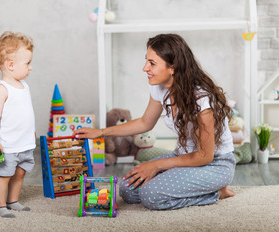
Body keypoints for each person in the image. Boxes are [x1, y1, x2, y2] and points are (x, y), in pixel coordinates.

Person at [74, 33, 236, 210]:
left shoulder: (202, 100)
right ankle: (197, 189)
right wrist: (101, 132)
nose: (145, 68)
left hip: (214, 164)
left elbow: (205, 156)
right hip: (183, 157)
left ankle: (216, 192)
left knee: (151, 195)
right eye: (146, 61)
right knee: (127, 189)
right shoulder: (160, 88)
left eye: (152, 63)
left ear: (172, 67)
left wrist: (156, 165)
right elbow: (145, 123)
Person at [0, 31, 36, 218]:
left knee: (20, 174)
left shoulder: (24, 85)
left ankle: (13, 200)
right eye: (27, 63)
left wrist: (31, 131)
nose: (30, 68)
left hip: (24, 143)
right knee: (4, 175)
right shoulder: (2, 89)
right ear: (10, 65)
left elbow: (25, 112)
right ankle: (0, 206)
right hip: (8, 145)